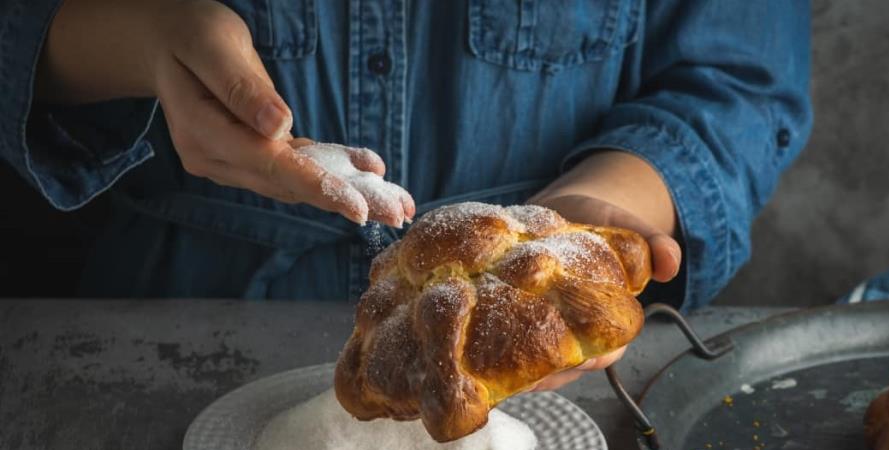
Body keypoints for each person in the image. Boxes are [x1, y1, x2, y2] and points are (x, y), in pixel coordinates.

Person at [0, 0, 811, 387]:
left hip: (540, 377)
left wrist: (600, 203)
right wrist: (136, 37)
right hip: (158, 356)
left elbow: (737, 77)